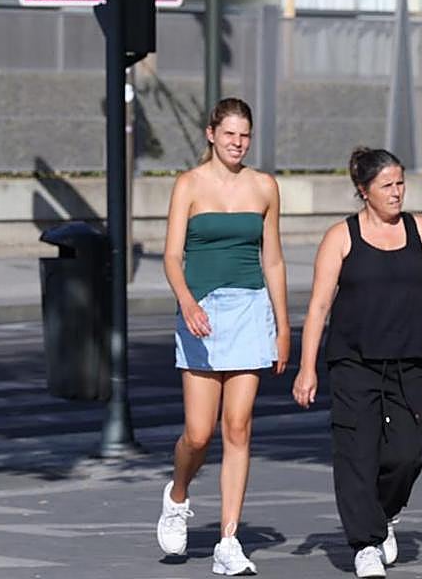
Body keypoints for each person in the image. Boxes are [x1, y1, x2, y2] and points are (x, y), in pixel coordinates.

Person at [292, 147, 422, 579]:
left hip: (409, 361)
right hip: (353, 363)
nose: (396, 192)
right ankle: (366, 544)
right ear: (363, 190)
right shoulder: (341, 237)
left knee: (405, 457)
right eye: (386, 185)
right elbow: (318, 306)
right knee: (357, 455)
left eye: (400, 183)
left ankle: (383, 514)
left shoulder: (421, 231)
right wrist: (307, 367)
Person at [155, 97, 291, 576]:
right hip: (203, 312)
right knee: (199, 433)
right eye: (230, 134)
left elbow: (273, 260)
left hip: (250, 308)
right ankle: (177, 496)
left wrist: (282, 326)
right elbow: (172, 256)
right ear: (211, 134)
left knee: (238, 426)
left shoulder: (264, 186)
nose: (238, 143)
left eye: (245, 135)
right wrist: (188, 302)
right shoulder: (189, 184)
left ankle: (228, 540)